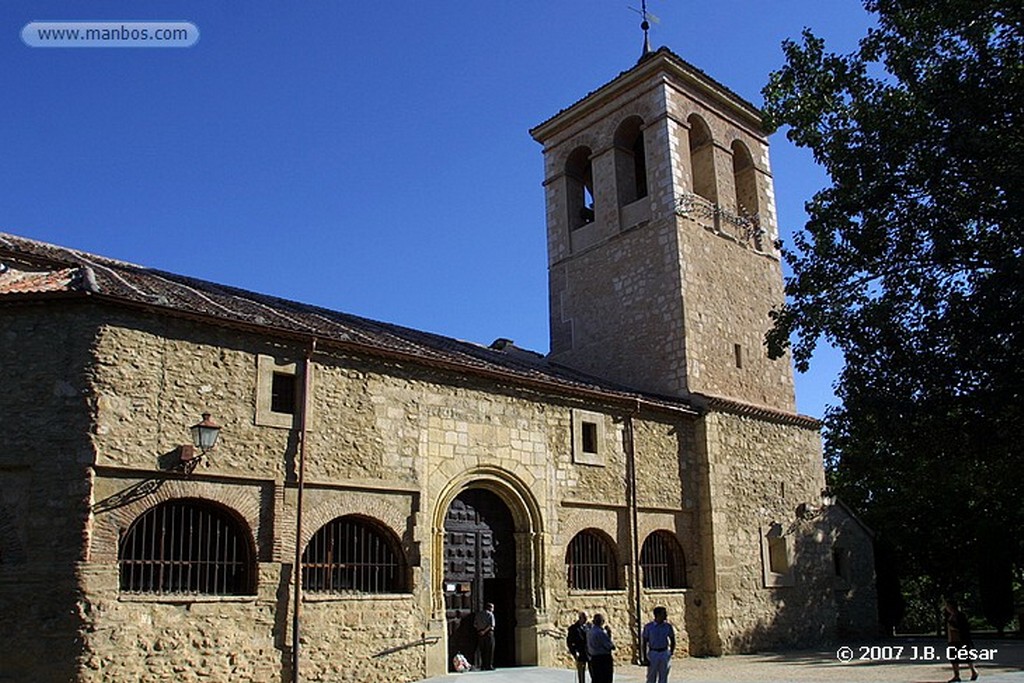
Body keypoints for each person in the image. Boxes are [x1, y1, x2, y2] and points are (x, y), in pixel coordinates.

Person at [944, 597, 979, 682]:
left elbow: (964, 628)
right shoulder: (950, 616)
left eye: (948, 606)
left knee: (966, 657)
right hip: (952, 640)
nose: (946, 608)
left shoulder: (960, 615)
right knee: (953, 658)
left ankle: (974, 671)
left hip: (960, 640)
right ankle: (956, 675)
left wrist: (954, 627)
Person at [642, 606, 677, 683]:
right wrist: (644, 656)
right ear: (657, 615)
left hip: (664, 652)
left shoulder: (668, 627)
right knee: (651, 675)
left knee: (664, 675)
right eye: (663, 613)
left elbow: (672, 639)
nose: (666, 615)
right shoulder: (649, 627)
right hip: (653, 652)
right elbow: (644, 642)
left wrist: (670, 652)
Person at [586, 612, 615, 683]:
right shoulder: (601, 633)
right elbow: (610, 646)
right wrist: (609, 635)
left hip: (594, 658)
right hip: (603, 658)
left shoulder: (590, 632)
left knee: (596, 678)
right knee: (605, 679)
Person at [566, 611, 590, 683]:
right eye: (584, 618)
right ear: (580, 618)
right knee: (581, 674)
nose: (586, 620)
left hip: (589, 653)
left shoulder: (589, 627)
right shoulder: (573, 629)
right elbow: (570, 642)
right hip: (580, 653)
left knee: (593, 673)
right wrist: (574, 652)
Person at [474, 602, 496, 671]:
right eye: (492, 608)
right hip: (488, 634)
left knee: (482, 650)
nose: (493, 609)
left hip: (480, 634)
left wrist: (480, 631)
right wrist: (484, 631)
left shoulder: (478, 614)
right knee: (489, 650)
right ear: (490, 608)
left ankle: (482, 665)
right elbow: (491, 625)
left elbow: (475, 624)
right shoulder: (490, 614)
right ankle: (489, 665)